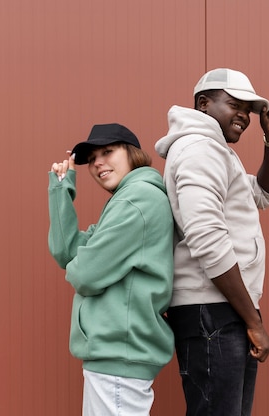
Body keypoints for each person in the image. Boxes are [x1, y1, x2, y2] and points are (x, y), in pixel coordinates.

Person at [154, 68, 269, 415]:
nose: (244, 115)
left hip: (222, 306)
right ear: (203, 104)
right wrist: (254, 324)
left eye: (248, 108)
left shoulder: (215, 151)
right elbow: (207, 239)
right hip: (212, 308)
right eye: (234, 105)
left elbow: (266, 194)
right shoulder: (201, 150)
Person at [48, 123, 175, 416]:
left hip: (121, 354)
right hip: (116, 355)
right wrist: (60, 188)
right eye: (92, 159)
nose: (97, 163)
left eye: (108, 152)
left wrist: (83, 263)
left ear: (132, 154)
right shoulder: (122, 201)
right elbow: (67, 253)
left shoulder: (138, 199)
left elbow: (85, 273)